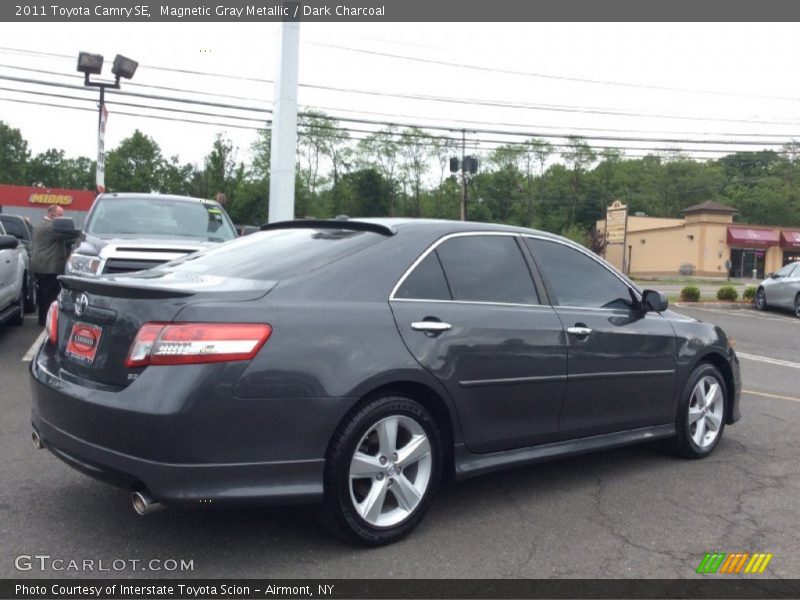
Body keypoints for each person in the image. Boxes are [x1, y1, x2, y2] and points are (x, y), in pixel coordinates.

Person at [30, 204, 78, 326]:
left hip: (42, 266)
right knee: (49, 296)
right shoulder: (51, 227)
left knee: (44, 294)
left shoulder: (41, 225)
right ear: (52, 214)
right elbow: (71, 236)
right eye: (60, 215)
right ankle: (47, 320)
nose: (63, 218)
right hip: (48, 267)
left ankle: (43, 319)